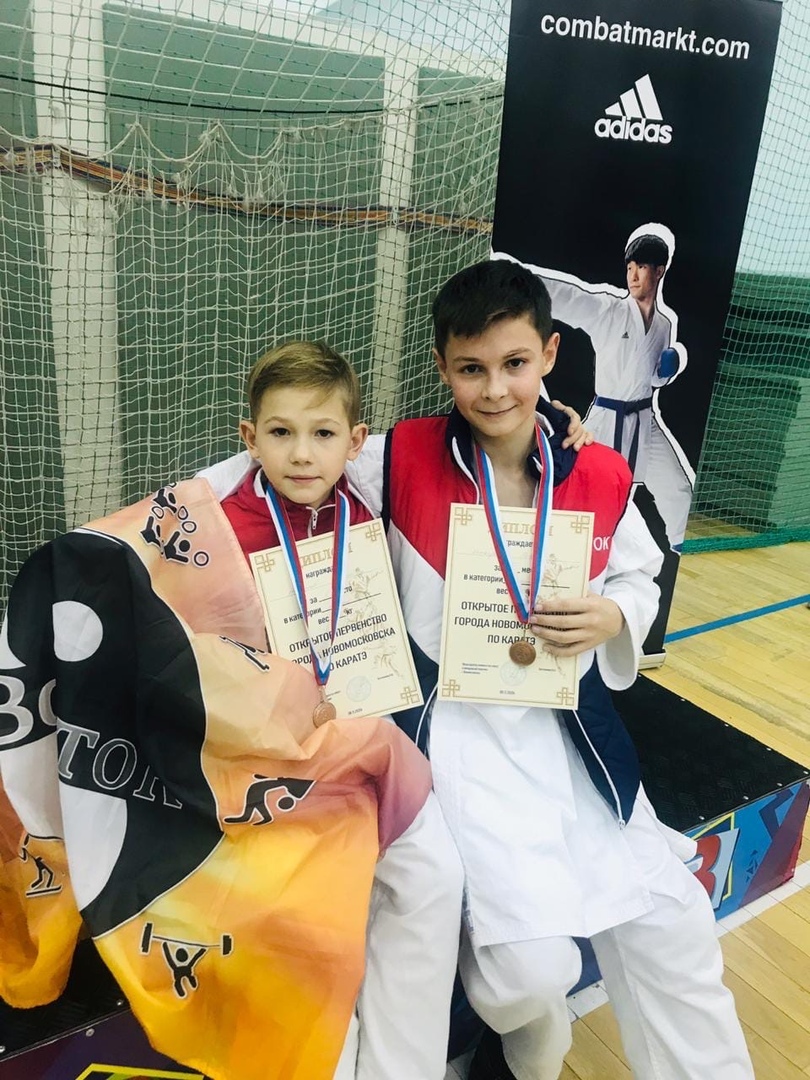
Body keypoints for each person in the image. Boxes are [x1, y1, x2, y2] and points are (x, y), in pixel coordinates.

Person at [346, 261, 753, 1080]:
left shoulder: (598, 472)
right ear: (441, 366)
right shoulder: (397, 457)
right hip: (457, 740)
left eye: (515, 363)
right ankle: (526, 1048)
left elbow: (640, 574)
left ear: (551, 354)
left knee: (673, 926)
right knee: (526, 979)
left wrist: (616, 615)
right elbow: (293, 461)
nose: (495, 389)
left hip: (572, 737)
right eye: (472, 368)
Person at [203, 339, 464, 1080]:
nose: (301, 453)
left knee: (434, 877)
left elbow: (473, 447)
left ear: (356, 442)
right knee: (311, 917)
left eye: (322, 433)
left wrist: (559, 425)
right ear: (250, 437)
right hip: (269, 765)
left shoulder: (370, 506)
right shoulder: (215, 531)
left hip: (372, 745)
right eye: (280, 432)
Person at [494, 225, 694, 549]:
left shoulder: (664, 324)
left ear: (659, 271)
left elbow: (652, 377)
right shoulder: (610, 310)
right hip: (607, 417)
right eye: (630, 267)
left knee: (678, 488)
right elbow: (567, 296)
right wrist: (509, 274)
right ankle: (545, 544)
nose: (633, 275)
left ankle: (680, 549)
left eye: (642, 267)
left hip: (645, 419)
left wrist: (667, 371)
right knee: (580, 487)